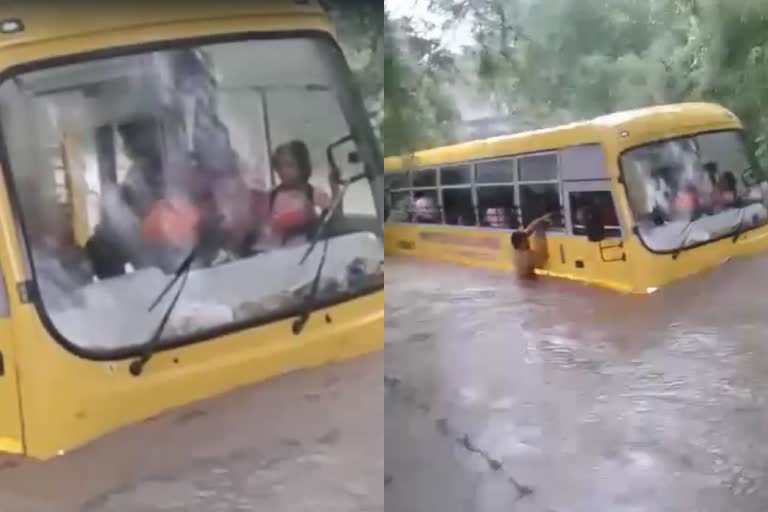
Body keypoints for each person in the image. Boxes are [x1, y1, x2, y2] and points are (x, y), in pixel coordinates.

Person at [264, 140, 337, 246]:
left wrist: (335, 188)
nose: (284, 171)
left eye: (289, 165)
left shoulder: (312, 193)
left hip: (306, 249)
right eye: (280, 166)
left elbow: (332, 217)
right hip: (278, 251)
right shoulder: (272, 196)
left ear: (302, 167)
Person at [509, 212, 554, 280]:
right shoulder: (527, 255)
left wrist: (540, 220)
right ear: (521, 244)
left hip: (521, 282)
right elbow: (544, 258)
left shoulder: (514, 250)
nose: (528, 242)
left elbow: (527, 232)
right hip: (530, 282)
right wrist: (540, 231)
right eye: (526, 241)